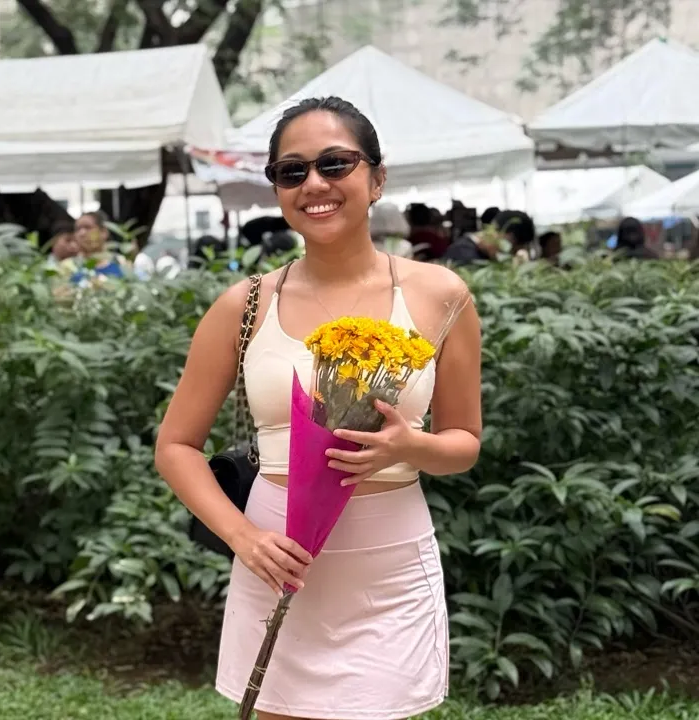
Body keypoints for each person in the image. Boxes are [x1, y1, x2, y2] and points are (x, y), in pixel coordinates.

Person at [155, 96, 482, 720]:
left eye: (335, 164)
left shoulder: (442, 295)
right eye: (292, 171)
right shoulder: (244, 305)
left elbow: (464, 442)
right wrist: (244, 537)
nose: (314, 184)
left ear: (376, 178)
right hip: (277, 561)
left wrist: (410, 446)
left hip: (388, 567)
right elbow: (175, 447)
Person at [71, 211, 124, 284]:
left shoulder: (121, 262)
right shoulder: (68, 267)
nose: (82, 233)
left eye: (88, 227)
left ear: (103, 232)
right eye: (77, 229)